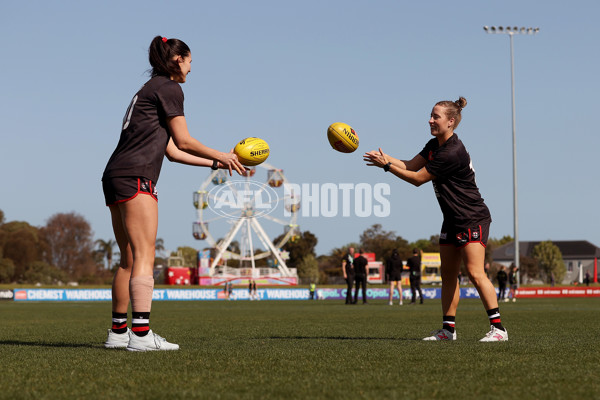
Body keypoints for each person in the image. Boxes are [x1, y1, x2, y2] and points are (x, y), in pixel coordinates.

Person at [102, 36, 245, 352]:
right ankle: (140, 335)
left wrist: (215, 164)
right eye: (191, 61)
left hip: (115, 175)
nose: (192, 69)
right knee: (144, 255)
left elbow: (172, 151)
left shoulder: (148, 90)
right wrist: (223, 154)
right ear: (178, 59)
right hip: (136, 176)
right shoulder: (170, 88)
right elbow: (184, 140)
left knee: (127, 259)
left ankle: (118, 333)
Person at [364, 97, 508, 342]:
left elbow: (418, 178)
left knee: (474, 273)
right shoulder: (434, 145)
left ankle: (499, 329)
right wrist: (385, 157)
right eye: (430, 115)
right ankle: (448, 330)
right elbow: (411, 164)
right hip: (451, 218)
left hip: (471, 217)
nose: (430, 120)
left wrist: (386, 166)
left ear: (451, 122)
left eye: (436, 117)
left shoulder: (453, 152)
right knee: (448, 275)